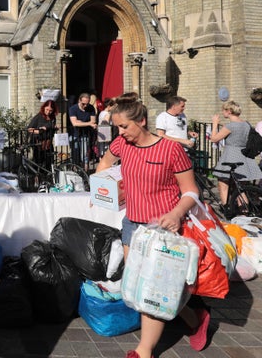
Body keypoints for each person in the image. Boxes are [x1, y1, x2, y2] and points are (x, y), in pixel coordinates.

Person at [96, 92, 210, 358]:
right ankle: (195, 318)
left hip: (164, 231)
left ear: (142, 121)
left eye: (124, 126)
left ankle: (144, 351)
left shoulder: (171, 149)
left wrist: (177, 213)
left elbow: (191, 191)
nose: (121, 132)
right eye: (117, 127)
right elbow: (105, 163)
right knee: (138, 283)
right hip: (132, 225)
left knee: (152, 289)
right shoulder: (122, 145)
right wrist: (101, 188)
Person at [208, 100, 262, 218]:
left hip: (231, 154)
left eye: (224, 110)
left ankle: (227, 209)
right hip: (244, 156)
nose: (223, 113)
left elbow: (214, 139)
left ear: (229, 111)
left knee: (223, 183)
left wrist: (215, 124)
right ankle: (244, 212)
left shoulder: (230, 126)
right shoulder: (246, 124)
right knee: (241, 186)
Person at [68, 93, 97, 169]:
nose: (85, 106)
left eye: (87, 104)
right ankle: (75, 171)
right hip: (75, 134)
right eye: (83, 104)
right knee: (75, 155)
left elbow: (93, 122)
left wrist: (80, 122)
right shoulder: (73, 109)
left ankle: (85, 173)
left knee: (85, 157)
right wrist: (88, 123)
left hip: (86, 135)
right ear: (79, 101)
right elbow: (74, 123)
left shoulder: (91, 108)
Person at [27, 99, 58, 169]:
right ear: (43, 107)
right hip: (38, 142)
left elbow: (51, 126)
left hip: (48, 142)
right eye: (47, 109)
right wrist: (37, 131)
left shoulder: (53, 117)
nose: (48, 112)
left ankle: (47, 177)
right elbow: (29, 129)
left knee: (49, 161)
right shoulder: (38, 117)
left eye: (50, 110)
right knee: (38, 161)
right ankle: (36, 178)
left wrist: (53, 128)